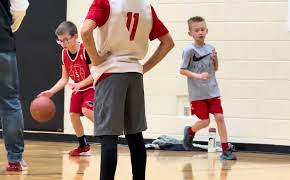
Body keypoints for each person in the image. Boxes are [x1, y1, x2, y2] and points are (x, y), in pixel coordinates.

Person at [81, 0, 174, 179]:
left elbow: (85, 31)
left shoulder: (105, 2)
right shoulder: (146, 6)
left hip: (110, 74)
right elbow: (168, 43)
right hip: (134, 74)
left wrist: (96, 59)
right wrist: (143, 68)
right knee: (135, 137)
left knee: (109, 138)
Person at [180, 16, 236, 160]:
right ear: (190, 33)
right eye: (196, 30)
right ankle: (190, 132)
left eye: (202, 29)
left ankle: (226, 150)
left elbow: (215, 69)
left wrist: (216, 60)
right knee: (205, 121)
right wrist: (198, 76)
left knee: (220, 117)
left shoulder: (211, 48)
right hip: (197, 93)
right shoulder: (188, 50)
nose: (200, 32)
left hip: (212, 90)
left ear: (207, 31)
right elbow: (182, 70)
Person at [39, 21, 94, 156]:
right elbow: (64, 79)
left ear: (75, 36)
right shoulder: (64, 54)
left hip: (91, 87)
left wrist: (80, 84)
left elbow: (94, 74)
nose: (63, 44)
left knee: (86, 110)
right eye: (60, 41)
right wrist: (51, 91)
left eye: (65, 40)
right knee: (73, 115)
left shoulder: (85, 50)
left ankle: (108, 133)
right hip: (78, 88)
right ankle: (83, 145)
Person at [0, 0, 29, 171]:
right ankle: (15, 160)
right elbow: (20, 7)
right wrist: (10, 26)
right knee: (10, 103)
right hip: (2, 42)